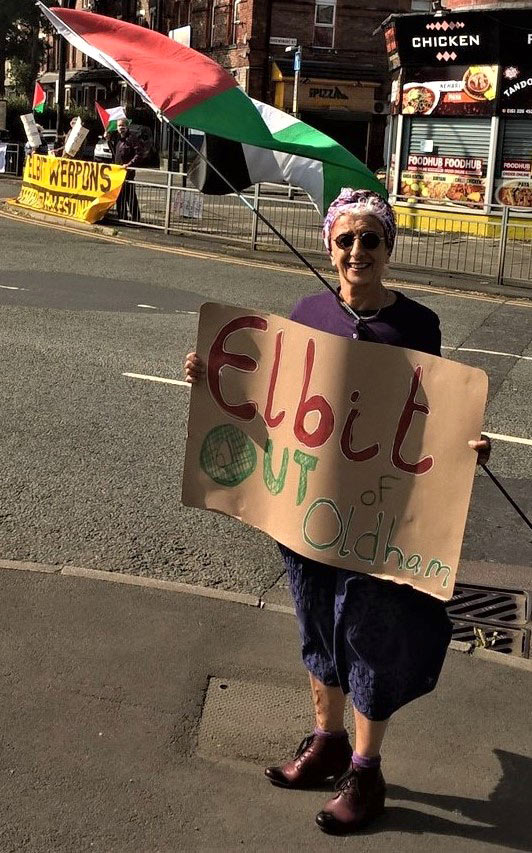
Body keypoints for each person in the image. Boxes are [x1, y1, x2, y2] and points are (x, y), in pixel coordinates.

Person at [184, 188, 491, 836]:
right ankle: (325, 741)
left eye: (371, 239)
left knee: (368, 635)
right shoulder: (307, 311)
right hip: (304, 507)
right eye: (346, 239)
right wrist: (214, 376)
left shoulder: (417, 324)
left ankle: (365, 768)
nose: (358, 251)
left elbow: (432, 411)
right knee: (317, 625)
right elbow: (271, 394)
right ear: (329, 245)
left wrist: (469, 443)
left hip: (375, 517)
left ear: (388, 248)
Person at [107, 117, 142, 221]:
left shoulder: (132, 138)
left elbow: (139, 154)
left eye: (123, 125)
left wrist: (129, 165)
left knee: (130, 197)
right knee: (120, 196)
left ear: (127, 126)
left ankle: (136, 219)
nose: (121, 128)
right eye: (119, 126)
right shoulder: (118, 138)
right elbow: (115, 153)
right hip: (118, 172)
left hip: (128, 173)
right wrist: (108, 141)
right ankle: (122, 218)